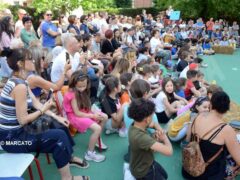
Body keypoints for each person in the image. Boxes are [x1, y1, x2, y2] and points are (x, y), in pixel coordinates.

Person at [0, 48, 89, 180]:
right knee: (58, 137)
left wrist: (56, 116)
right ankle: (67, 178)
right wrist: (44, 109)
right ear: (20, 63)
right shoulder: (20, 86)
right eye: (30, 58)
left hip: (18, 133)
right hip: (12, 140)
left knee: (58, 124)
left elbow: (36, 103)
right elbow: (23, 120)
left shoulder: (21, 81)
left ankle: (68, 157)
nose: (34, 60)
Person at [182, 91, 240, 179]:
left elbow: (188, 138)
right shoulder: (226, 130)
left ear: (211, 105)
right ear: (227, 109)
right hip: (207, 175)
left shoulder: (198, 116)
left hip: (188, 169)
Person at [63, 70, 108, 162]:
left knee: (105, 117)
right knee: (97, 128)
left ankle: (96, 139)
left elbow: (85, 108)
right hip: (75, 117)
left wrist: (93, 113)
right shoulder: (72, 94)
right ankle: (89, 154)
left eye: (84, 86)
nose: (82, 88)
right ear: (74, 84)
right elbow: (77, 113)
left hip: (83, 112)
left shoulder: (82, 90)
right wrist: (93, 116)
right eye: (79, 86)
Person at [128, 98, 172, 180]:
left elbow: (154, 124)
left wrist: (160, 131)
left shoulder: (136, 124)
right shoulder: (141, 137)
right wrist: (164, 137)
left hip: (140, 163)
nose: (152, 118)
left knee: (165, 175)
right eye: (152, 116)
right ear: (147, 119)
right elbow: (169, 151)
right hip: (144, 171)